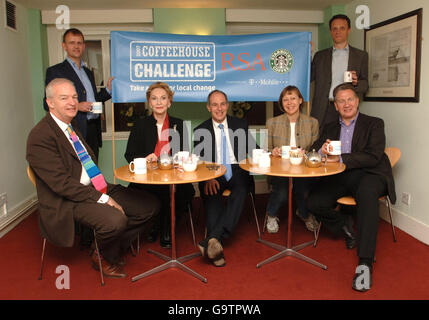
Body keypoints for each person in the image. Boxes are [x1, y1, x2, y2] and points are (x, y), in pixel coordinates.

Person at [27, 78, 159, 278]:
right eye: (64, 98)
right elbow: (62, 185)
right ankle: (105, 256)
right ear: (50, 102)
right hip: (69, 198)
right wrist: (104, 199)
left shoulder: (70, 127)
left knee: (149, 206)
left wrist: (102, 192)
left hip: (96, 186)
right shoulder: (40, 136)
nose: (72, 102)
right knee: (116, 220)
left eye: (74, 97)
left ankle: (103, 247)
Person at [307, 83, 396, 292]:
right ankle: (344, 225)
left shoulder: (374, 123)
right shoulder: (329, 127)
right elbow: (315, 149)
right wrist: (318, 151)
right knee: (313, 202)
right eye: (341, 101)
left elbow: (373, 156)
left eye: (350, 99)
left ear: (357, 101)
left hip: (370, 173)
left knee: (367, 196)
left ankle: (365, 263)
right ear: (335, 106)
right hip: (342, 175)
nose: (346, 104)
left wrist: (340, 157)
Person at [124, 82, 195, 249]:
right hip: (147, 178)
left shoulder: (179, 124)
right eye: (154, 98)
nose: (159, 102)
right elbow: (129, 154)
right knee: (153, 193)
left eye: (163, 98)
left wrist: (180, 162)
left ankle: (166, 229)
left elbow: (184, 152)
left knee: (180, 192)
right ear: (149, 102)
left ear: (169, 102)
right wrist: (143, 159)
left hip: (173, 177)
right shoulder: (140, 125)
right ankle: (157, 224)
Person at [194, 90, 256, 267]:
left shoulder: (240, 124)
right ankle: (215, 246)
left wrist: (267, 153)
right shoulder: (201, 130)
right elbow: (199, 161)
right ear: (208, 107)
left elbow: (253, 148)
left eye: (222, 104)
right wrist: (208, 177)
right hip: (213, 172)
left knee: (241, 188)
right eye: (214, 104)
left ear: (227, 105)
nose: (219, 108)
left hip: (237, 171)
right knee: (212, 195)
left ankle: (212, 240)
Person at [44, 28, 113, 159]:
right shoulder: (55, 71)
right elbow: (47, 104)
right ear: (64, 46)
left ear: (84, 46)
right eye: (72, 43)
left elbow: (93, 100)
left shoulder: (88, 72)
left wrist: (108, 90)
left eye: (79, 43)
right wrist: (77, 106)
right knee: (76, 171)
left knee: (93, 170)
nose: (76, 46)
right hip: (73, 129)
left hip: (93, 129)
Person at [265, 85, 319, 233]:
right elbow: (266, 149)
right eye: (285, 100)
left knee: (302, 190)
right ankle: (271, 214)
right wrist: (273, 151)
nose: (290, 103)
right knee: (282, 191)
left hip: (303, 167)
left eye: (293, 98)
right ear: (282, 103)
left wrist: (304, 153)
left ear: (300, 100)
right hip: (280, 168)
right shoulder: (272, 122)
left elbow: (315, 149)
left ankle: (303, 214)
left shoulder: (313, 122)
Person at [311, 14, 368, 131]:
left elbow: (366, 85)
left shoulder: (360, 56)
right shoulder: (319, 56)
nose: (338, 32)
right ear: (331, 31)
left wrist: (356, 83)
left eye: (342, 28)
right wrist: (307, 54)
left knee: (346, 142)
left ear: (348, 30)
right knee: (320, 143)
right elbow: (308, 78)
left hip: (347, 107)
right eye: (334, 29)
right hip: (323, 108)